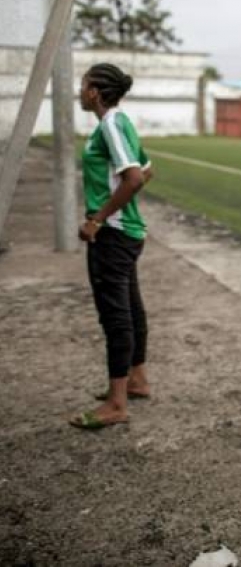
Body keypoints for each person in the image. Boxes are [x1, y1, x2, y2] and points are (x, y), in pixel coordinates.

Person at [69, 63, 152, 430]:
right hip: (126, 232)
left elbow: (134, 177)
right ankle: (136, 381)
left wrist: (98, 218)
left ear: (94, 93)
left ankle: (117, 404)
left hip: (113, 235)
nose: (80, 90)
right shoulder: (119, 123)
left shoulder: (112, 124)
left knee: (115, 315)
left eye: (83, 84)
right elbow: (147, 169)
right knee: (130, 308)